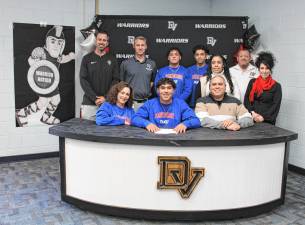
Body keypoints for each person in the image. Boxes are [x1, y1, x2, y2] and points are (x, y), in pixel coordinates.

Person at [132, 78, 200, 133]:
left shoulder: (180, 104)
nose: (166, 91)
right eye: (163, 88)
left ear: (174, 90)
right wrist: (147, 124)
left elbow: (196, 120)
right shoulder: (150, 104)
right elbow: (135, 118)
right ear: (158, 90)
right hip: (154, 140)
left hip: (174, 140)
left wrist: (185, 124)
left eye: (169, 88)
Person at [80, 31, 120, 120]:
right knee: (86, 132)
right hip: (89, 104)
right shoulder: (86, 59)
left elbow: (116, 80)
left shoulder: (112, 59)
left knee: (106, 132)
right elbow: (83, 80)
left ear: (107, 43)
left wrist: (106, 98)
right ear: (95, 41)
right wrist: (95, 98)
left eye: (104, 40)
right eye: (99, 39)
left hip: (108, 103)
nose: (101, 42)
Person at [244, 52, 282, 125]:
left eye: (267, 68)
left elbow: (275, 106)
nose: (264, 71)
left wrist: (263, 117)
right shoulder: (252, 82)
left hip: (267, 121)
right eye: (262, 68)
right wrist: (253, 113)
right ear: (258, 69)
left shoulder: (277, 86)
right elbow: (246, 99)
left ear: (270, 69)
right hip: (252, 118)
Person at [120, 36, 157, 111]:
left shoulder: (152, 64)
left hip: (146, 103)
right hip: (129, 102)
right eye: (138, 45)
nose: (140, 48)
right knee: (129, 123)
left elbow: (152, 81)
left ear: (146, 46)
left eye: (142, 45)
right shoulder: (125, 63)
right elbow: (121, 83)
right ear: (134, 46)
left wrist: (144, 90)